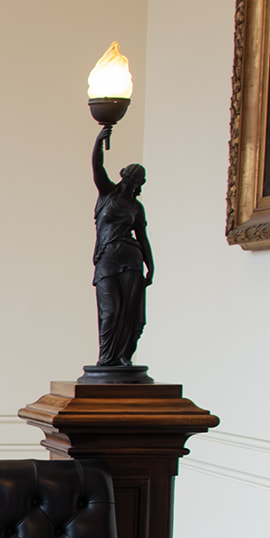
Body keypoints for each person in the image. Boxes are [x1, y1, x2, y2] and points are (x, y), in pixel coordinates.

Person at [90, 126, 153, 368]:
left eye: (136, 181)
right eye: (129, 178)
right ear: (122, 176)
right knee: (112, 311)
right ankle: (106, 359)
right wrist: (98, 142)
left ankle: (123, 357)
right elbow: (97, 168)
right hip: (107, 259)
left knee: (131, 313)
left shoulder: (136, 208)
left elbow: (143, 236)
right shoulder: (107, 194)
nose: (131, 184)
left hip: (132, 261)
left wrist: (150, 265)